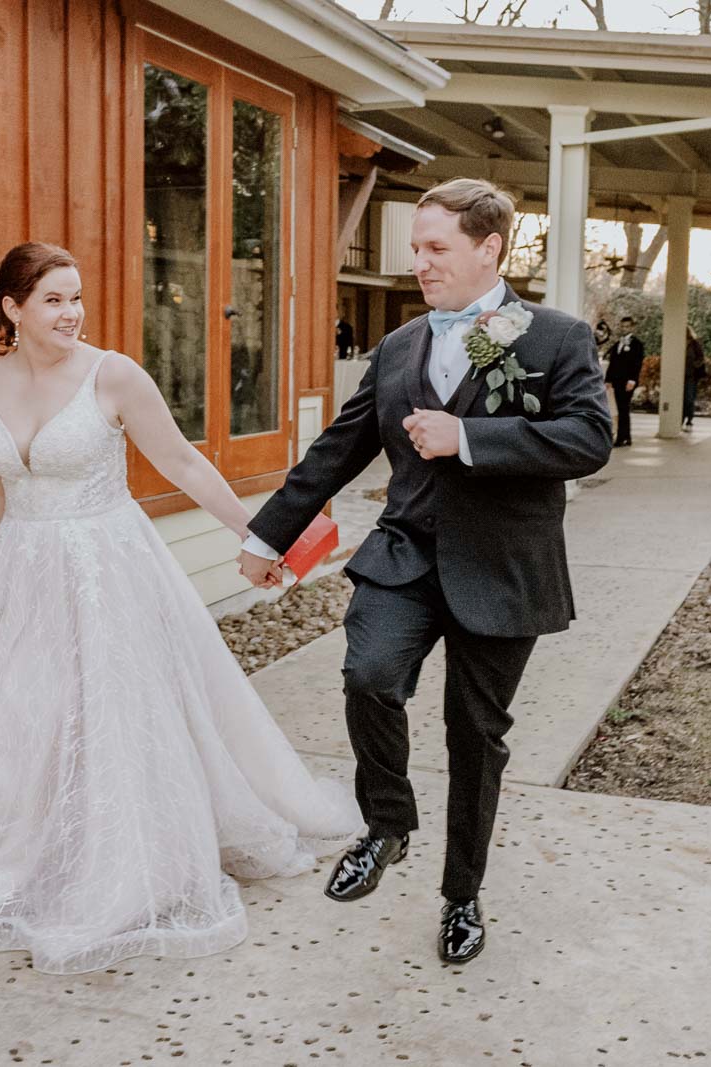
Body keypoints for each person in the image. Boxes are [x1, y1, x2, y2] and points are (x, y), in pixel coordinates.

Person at [0, 242, 363, 975]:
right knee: (24, 715)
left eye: (76, 296)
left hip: (108, 568)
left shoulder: (113, 375)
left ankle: (125, 859)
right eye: (53, 299)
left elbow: (185, 462)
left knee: (112, 711)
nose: (72, 312)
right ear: (11, 308)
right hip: (23, 570)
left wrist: (260, 535)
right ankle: (34, 845)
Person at [237, 179, 612, 964]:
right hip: (406, 555)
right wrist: (269, 535)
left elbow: (587, 437)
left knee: (475, 736)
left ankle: (462, 894)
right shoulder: (400, 345)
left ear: (489, 248)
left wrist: (469, 436)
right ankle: (388, 824)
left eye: (436, 247)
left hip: (505, 569)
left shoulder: (555, 337)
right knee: (369, 676)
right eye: (416, 246)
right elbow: (339, 447)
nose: (420, 262)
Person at [603, 315, 644, 447]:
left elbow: (637, 363)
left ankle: (622, 437)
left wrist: (632, 380)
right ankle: (626, 436)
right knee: (621, 409)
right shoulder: (617, 344)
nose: (624, 329)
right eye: (622, 326)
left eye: (627, 326)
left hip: (627, 381)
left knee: (623, 408)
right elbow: (613, 362)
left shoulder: (637, 344)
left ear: (632, 327)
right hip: (616, 381)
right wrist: (608, 379)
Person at [683, 326, 706, 430]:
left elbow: (701, 357)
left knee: (689, 398)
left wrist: (694, 365)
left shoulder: (694, 344)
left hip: (691, 375)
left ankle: (689, 420)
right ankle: (681, 419)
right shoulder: (678, 343)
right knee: (681, 398)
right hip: (679, 375)